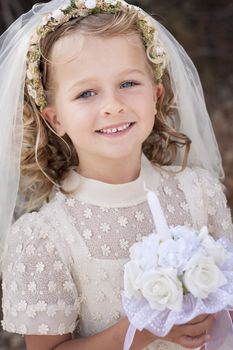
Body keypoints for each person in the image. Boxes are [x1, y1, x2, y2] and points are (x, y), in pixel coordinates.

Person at [0, 1, 232, 349]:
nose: (112, 105)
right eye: (86, 93)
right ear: (55, 119)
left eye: (128, 83)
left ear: (156, 95)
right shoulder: (46, 236)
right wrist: (143, 330)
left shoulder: (199, 192)